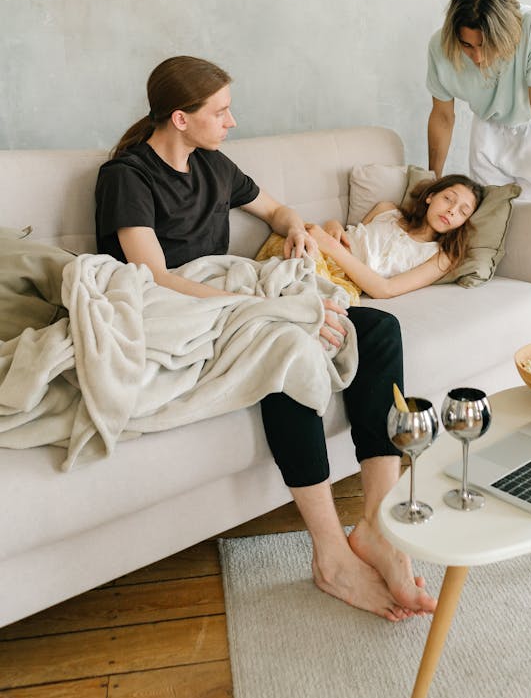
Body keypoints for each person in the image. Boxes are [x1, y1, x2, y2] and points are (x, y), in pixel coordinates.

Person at [95, 55, 436, 622]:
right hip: (177, 308)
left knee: (377, 329)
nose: (232, 121)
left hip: (233, 295)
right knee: (289, 347)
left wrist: (299, 231)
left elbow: (277, 210)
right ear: (180, 118)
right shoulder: (126, 177)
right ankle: (330, 553)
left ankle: (377, 524)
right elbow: (154, 277)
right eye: (221, 111)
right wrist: (266, 310)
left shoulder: (214, 165)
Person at [427, 0, 531, 234]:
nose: (477, 57)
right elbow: (442, 117)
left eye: (485, 45)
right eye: (467, 45)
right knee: (486, 216)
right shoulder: (439, 47)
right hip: (489, 122)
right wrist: (432, 180)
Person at [305, 174, 483, 300]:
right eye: (448, 199)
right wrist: (332, 224)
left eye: (463, 211)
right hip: (312, 250)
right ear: (431, 196)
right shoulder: (386, 211)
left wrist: (332, 247)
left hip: (335, 281)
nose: (452, 210)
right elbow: (348, 236)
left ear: (464, 222)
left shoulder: (442, 257)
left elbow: (385, 290)